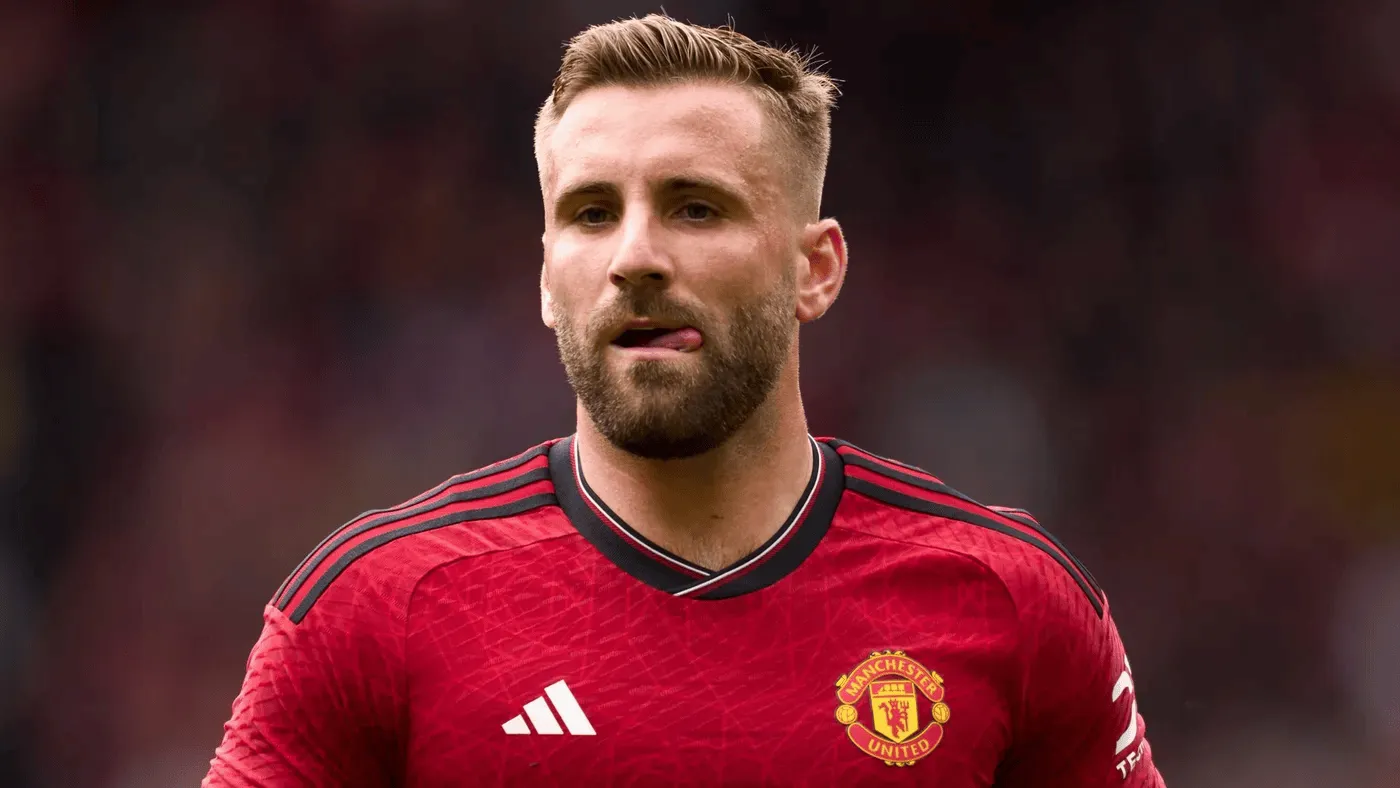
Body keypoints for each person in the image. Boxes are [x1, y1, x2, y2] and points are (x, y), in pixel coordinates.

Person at [205, 14, 1164, 787]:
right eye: (591, 213)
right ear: (546, 279)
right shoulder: (374, 609)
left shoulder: (1008, 601)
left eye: (695, 207)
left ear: (816, 268)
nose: (634, 257)